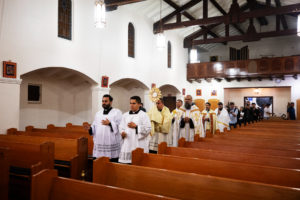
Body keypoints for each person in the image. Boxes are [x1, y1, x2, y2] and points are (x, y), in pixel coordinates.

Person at [84, 94, 122, 162]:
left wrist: (110, 124)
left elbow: (121, 126)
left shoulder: (117, 112)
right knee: (99, 161)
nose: (104, 103)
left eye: (106, 101)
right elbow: (94, 125)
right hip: (100, 141)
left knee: (110, 161)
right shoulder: (98, 113)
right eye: (103, 101)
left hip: (110, 141)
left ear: (111, 102)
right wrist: (90, 128)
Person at [118, 96, 151, 164]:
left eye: (134, 103)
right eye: (130, 103)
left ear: (139, 104)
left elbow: (148, 129)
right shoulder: (125, 115)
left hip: (138, 143)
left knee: (139, 163)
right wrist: (122, 132)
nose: (131, 105)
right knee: (127, 164)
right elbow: (121, 127)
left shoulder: (144, 115)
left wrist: (136, 127)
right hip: (127, 142)